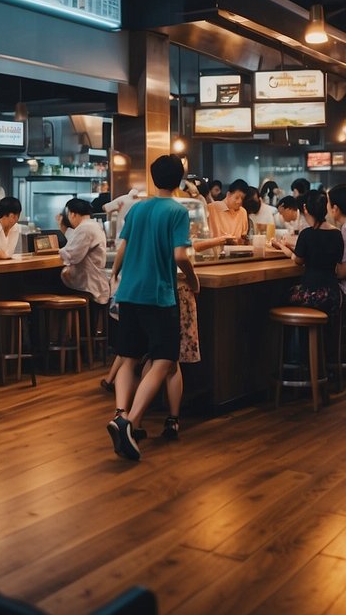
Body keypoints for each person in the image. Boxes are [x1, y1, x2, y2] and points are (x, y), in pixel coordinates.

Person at [106, 154, 199, 460]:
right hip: (158, 295)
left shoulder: (138, 207)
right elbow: (180, 255)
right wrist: (193, 280)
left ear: (153, 177)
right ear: (179, 179)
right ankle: (131, 422)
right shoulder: (177, 211)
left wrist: (115, 275)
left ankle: (120, 414)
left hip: (129, 292)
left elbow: (123, 247)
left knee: (129, 357)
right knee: (164, 360)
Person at [274, 191, 343, 316]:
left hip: (312, 294)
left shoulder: (306, 234)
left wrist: (285, 249)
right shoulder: (338, 233)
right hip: (333, 295)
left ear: (305, 208)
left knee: (276, 297)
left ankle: (293, 329)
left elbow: (298, 260)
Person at [59, 198, 109, 306]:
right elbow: (77, 245)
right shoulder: (92, 225)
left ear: (72, 214)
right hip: (95, 283)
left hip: (88, 286)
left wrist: (58, 252)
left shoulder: (85, 228)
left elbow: (72, 255)